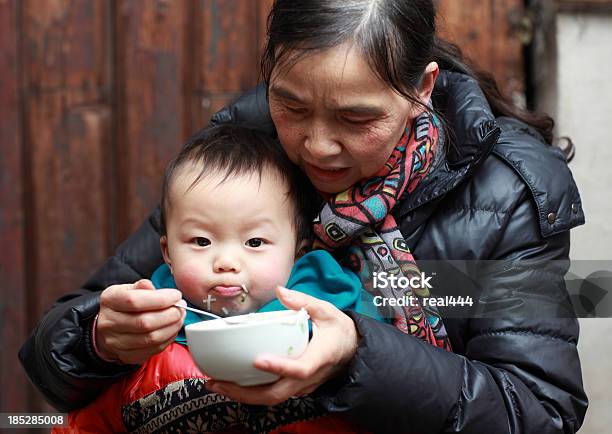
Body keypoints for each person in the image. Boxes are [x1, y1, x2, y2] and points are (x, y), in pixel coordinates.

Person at [20, 1, 588, 433]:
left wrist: (357, 358)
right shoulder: (240, 157)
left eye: (355, 117)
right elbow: (57, 354)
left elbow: (538, 409)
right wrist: (100, 337)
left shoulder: (504, 195)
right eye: (291, 105)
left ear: (422, 88)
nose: (316, 146)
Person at [54, 124, 380, 433]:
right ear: (167, 253)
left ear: (297, 253)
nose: (225, 262)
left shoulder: (335, 316)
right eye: (201, 242)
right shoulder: (146, 336)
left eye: (255, 243)